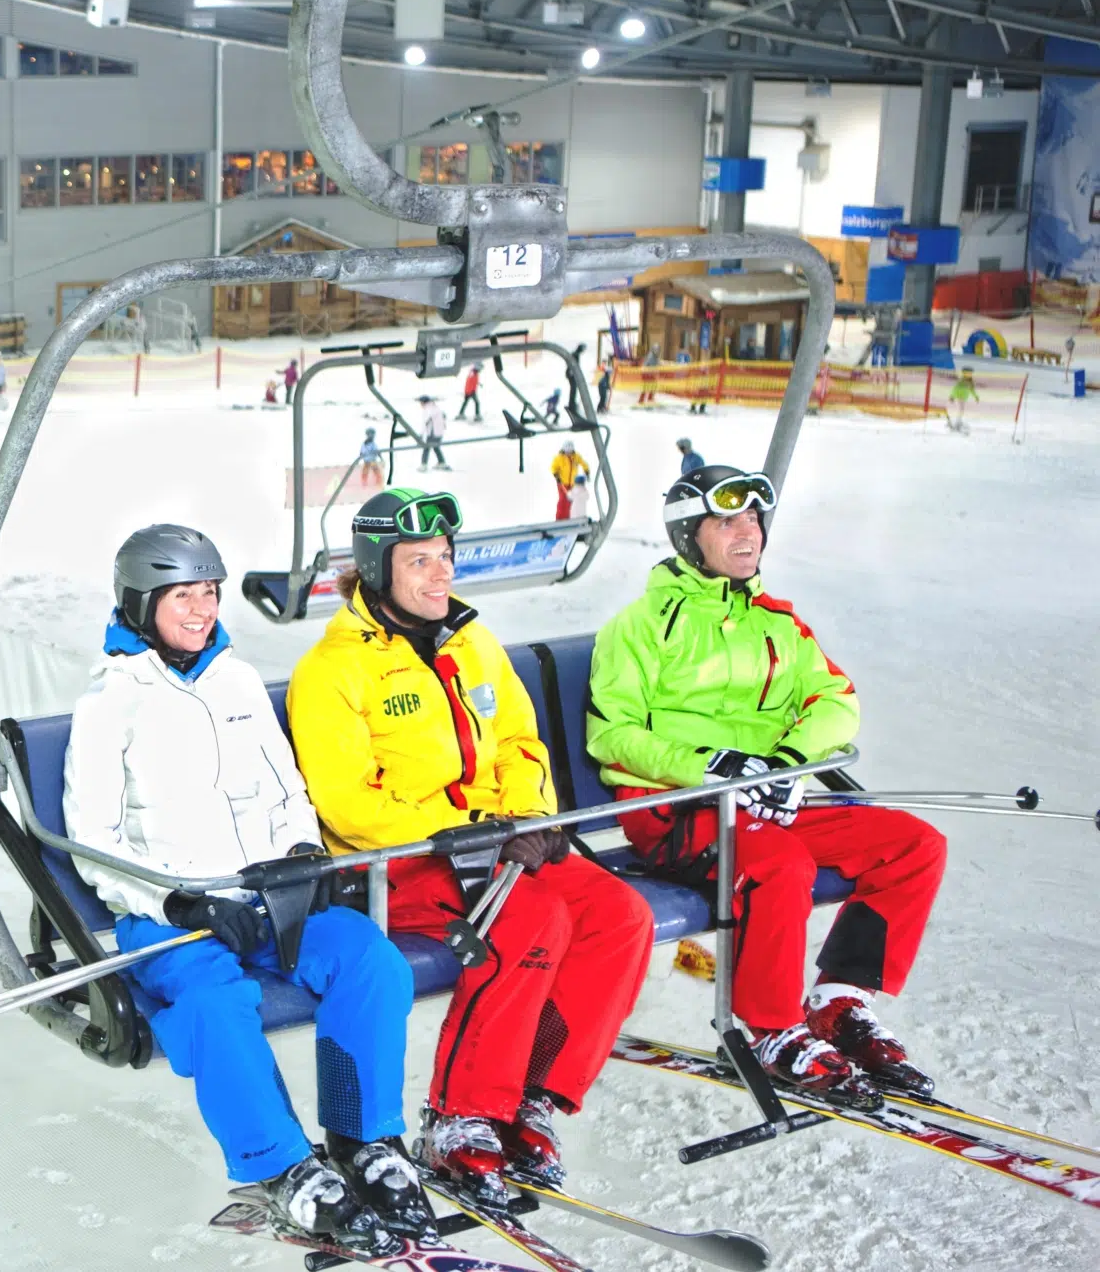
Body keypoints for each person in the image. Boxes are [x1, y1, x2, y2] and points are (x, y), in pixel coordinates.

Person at [287, 489, 654, 1208]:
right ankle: (461, 1115)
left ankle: (532, 1097)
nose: (439, 575)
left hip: (498, 848)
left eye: (446, 558)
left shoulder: (472, 643)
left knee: (619, 915)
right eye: (418, 561)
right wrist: (449, 837)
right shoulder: (333, 671)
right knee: (529, 922)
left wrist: (526, 816)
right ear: (375, 569)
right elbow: (347, 802)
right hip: (403, 866)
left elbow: (521, 741)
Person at [64, 525, 427, 1247]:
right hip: (172, 914)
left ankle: (363, 1137)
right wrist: (174, 899)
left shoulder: (235, 679)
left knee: (369, 960)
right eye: (181, 597)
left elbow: (288, 785)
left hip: (271, 900)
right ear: (140, 602)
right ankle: (282, 1167)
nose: (200, 611)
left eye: (208, 593)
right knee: (212, 999)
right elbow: (92, 843)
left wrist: (298, 848)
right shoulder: (111, 702)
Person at [585, 466, 946, 1102]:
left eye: (753, 519)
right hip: (676, 807)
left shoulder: (778, 622)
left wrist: (783, 762)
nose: (746, 531)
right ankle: (770, 1028)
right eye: (727, 520)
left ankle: (838, 999)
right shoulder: (639, 627)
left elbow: (836, 700)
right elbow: (612, 736)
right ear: (690, 536)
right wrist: (710, 766)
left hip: (768, 797)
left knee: (913, 844)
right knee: (780, 865)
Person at [549, 441, 588, 520]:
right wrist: (556, 475)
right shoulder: (559, 458)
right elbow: (553, 467)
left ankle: (569, 517)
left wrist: (586, 470)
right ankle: (560, 518)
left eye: (570, 452)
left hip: (573, 483)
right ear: (564, 450)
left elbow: (583, 463)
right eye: (567, 452)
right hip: (563, 483)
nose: (568, 453)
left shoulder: (576, 456)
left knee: (571, 501)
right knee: (563, 500)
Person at [417, 395, 449, 471]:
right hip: (440, 432)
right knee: (436, 447)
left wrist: (421, 435)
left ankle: (424, 465)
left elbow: (425, 423)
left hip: (433, 432)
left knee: (426, 447)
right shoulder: (435, 407)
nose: (420, 405)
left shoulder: (428, 410)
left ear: (423, 402)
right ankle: (442, 462)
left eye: (420, 402)